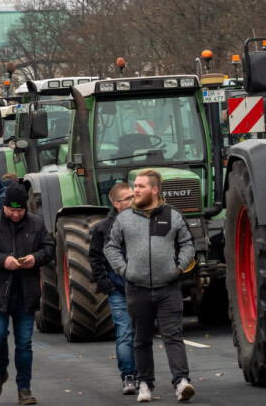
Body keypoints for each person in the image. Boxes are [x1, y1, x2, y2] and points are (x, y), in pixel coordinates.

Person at [104, 169, 195, 402]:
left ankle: (182, 382)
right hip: (137, 288)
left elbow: (188, 244)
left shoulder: (172, 215)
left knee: (173, 336)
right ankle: (145, 384)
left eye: (141, 186)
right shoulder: (124, 218)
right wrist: (125, 270)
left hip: (168, 288)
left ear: (155, 190)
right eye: (135, 186)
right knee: (141, 339)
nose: (135, 190)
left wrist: (178, 267)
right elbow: (110, 247)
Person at [0, 182, 55, 405]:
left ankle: (24, 388)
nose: (16, 214)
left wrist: (35, 258)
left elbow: (49, 248)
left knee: (24, 343)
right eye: (12, 209)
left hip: (26, 293)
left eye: (20, 210)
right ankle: (0, 372)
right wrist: (3, 260)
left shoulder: (37, 224)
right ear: (3, 206)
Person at [88, 182, 138, 395]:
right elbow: (95, 258)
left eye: (134, 196)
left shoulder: (142, 222)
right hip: (118, 290)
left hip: (142, 287)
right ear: (117, 204)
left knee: (141, 334)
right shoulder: (102, 228)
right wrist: (105, 284)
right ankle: (128, 376)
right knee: (125, 332)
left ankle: (144, 376)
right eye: (128, 198)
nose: (134, 200)